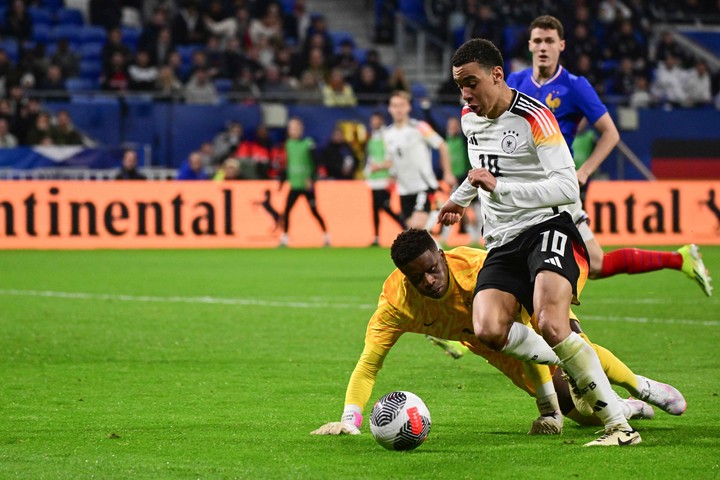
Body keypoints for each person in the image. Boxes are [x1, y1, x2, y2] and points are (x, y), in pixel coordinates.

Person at [438, 38, 640, 446]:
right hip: (502, 241)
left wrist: (502, 190)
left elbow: (567, 188)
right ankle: (585, 368)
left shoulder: (536, 117)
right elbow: (483, 172)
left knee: (550, 322)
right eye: (460, 85)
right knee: (488, 329)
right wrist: (459, 199)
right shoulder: (468, 117)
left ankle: (620, 427)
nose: (465, 94)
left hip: (546, 227)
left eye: (471, 83)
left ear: (497, 75)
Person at [310, 229, 686, 436]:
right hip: (494, 347)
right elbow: (368, 365)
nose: (429, 281)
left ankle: (641, 386)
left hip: (529, 311)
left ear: (441, 255)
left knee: (567, 346)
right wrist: (349, 419)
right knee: (577, 410)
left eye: (431, 268)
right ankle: (627, 408)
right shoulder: (397, 303)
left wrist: (545, 411)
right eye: (417, 277)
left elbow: (525, 322)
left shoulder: (477, 269)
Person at [506, 15, 712, 296]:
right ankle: (680, 259)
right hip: (523, 181)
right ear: (529, 45)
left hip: (554, 186)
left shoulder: (575, 86)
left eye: (550, 41)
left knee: (522, 257)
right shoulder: (515, 82)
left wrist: (585, 171)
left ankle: (486, 331)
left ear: (561, 45)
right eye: (538, 41)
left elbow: (611, 133)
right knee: (593, 263)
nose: (544, 47)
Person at [383, 90, 455, 230]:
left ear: (408, 107)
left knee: (416, 229)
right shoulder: (387, 134)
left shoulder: (419, 127)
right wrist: (390, 176)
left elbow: (442, 145)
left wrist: (447, 172)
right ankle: (437, 247)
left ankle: (435, 211)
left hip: (423, 186)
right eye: (395, 106)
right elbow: (393, 159)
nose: (398, 109)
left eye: (401, 105)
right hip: (404, 190)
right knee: (414, 234)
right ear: (389, 108)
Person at [279, 117, 330, 248]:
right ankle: (284, 238)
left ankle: (326, 236)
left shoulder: (308, 143)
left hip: (307, 185)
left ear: (301, 129)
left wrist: (312, 178)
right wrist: (282, 181)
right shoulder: (288, 144)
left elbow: (315, 162)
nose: (294, 130)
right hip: (295, 184)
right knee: (287, 211)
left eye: (296, 128)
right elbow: (287, 164)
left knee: (314, 211)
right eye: (292, 128)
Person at [364, 112, 406, 246]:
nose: (374, 123)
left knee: (385, 207)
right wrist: (367, 171)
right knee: (375, 209)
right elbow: (370, 158)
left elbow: (392, 158)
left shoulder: (387, 137)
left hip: (385, 178)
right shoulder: (371, 139)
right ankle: (376, 237)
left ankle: (405, 226)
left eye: (376, 121)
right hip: (374, 180)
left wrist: (390, 175)